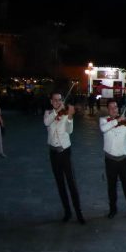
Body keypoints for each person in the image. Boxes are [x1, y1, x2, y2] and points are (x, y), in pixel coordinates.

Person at [44, 92, 85, 224]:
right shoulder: (48, 113)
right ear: (51, 101)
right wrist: (57, 112)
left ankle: (78, 212)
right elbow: (46, 122)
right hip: (53, 153)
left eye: (60, 100)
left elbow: (69, 130)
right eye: (55, 100)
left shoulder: (66, 113)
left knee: (71, 183)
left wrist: (70, 116)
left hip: (65, 152)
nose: (58, 102)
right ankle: (67, 211)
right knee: (60, 183)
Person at [99, 99, 126, 219]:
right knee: (111, 187)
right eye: (111, 108)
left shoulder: (125, 121)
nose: (114, 110)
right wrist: (117, 121)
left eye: (115, 107)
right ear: (108, 109)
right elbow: (103, 129)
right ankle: (112, 210)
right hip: (110, 160)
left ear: (118, 108)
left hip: (123, 160)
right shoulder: (104, 120)